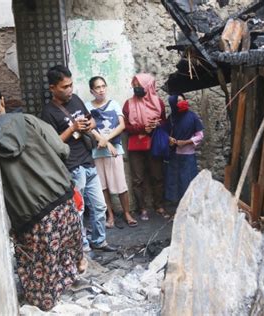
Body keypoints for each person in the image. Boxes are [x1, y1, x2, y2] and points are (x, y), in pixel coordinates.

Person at [0, 84, 86, 311]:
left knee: (39, 263)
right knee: (65, 247)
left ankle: (45, 301)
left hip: (30, 214)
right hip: (61, 199)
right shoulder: (28, 121)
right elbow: (62, 150)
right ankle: (72, 276)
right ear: (2, 101)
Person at [41, 65, 116, 252]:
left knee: (100, 206)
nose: (69, 90)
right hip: (72, 166)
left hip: (88, 161)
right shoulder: (48, 112)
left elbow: (91, 120)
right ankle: (82, 248)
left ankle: (99, 241)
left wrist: (88, 124)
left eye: (71, 85)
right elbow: (53, 143)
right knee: (78, 210)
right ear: (52, 88)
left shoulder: (75, 99)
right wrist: (73, 128)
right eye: (64, 87)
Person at [85, 76, 138, 228]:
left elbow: (121, 126)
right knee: (103, 187)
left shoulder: (114, 104)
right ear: (92, 91)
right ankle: (110, 215)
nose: (101, 90)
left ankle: (127, 213)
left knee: (121, 184)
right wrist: (105, 142)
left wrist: (106, 140)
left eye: (103, 86)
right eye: (97, 87)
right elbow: (89, 127)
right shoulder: (87, 107)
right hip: (97, 152)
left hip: (115, 150)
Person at [123, 73, 168, 220]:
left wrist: (157, 125)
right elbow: (126, 127)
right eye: (134, 85)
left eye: (139, 85)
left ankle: (159, 205)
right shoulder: (128, 104)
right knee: (138, 179)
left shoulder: (158, 103)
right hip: (136, 146)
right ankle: (142, 208)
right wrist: (143, 128)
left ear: (148, 86)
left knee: (157, 176)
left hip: (154, 144)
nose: (136, 88)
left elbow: (165, 123)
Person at [165, 94, 204, 202]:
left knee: (188, 182)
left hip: (188, 157)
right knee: (175, 183)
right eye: (178, 101)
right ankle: (177, 211)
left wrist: (186, 142)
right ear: (173, 104)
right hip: (174, 156)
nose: (181, 102)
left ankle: (189, 209)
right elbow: (164, 133)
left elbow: (200, 136)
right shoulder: (171, 118)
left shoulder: (192, 116)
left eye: (183, 100)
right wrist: (170, 139)